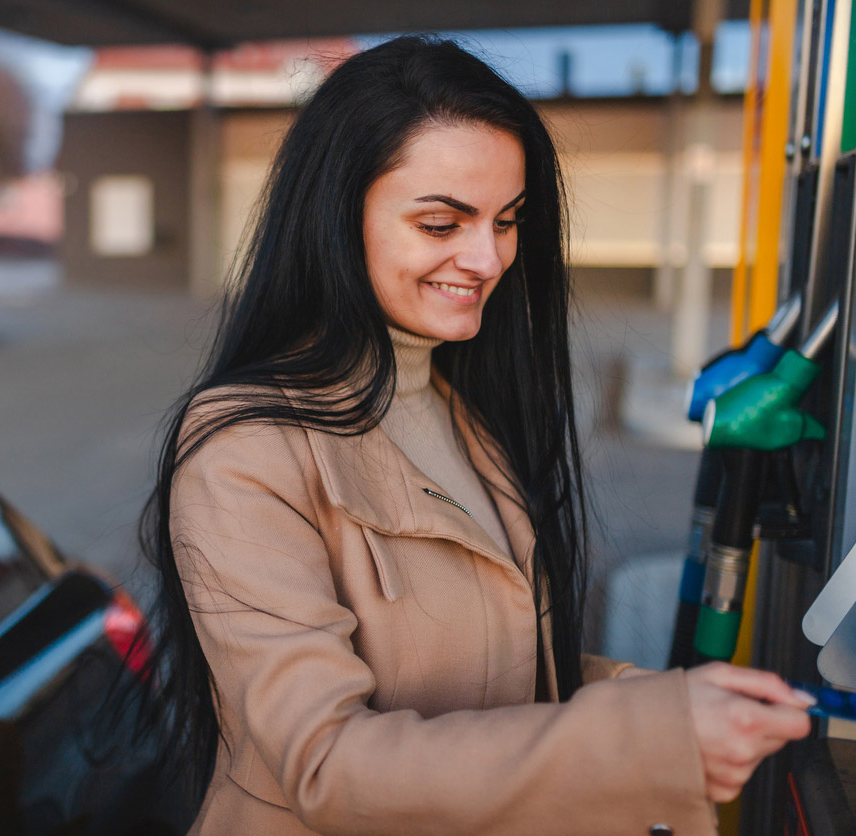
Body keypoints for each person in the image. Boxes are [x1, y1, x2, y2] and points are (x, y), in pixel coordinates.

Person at [140, 35, 813, 835]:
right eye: (440, 223)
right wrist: (650, 736)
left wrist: (655, 700)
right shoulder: (245, 451)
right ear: (334, 218)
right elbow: (326, 766)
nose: (488, 258)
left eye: (508, 220)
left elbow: (498, 672)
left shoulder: (464, 413)